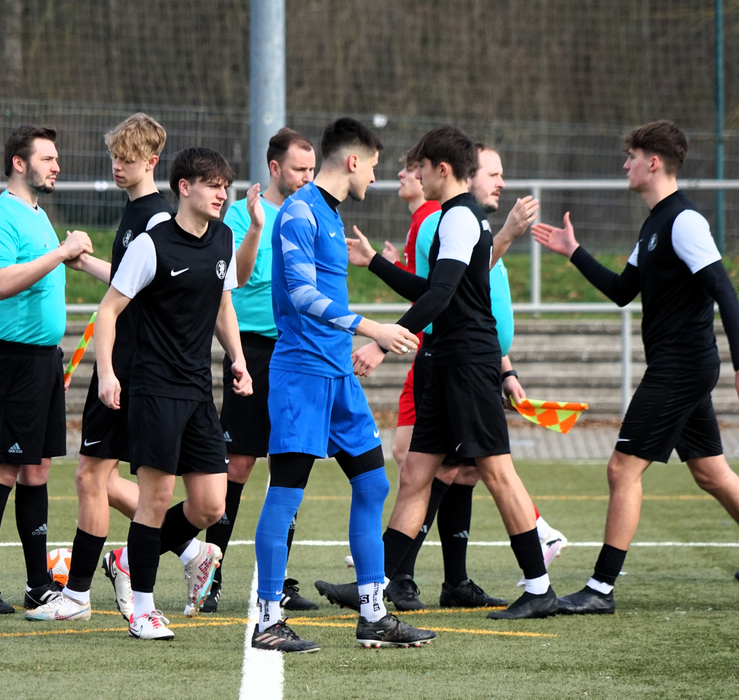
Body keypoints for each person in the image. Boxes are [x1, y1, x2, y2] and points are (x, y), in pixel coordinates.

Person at [531, 119, 739, 614]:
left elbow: (725, 290)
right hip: (678, 365)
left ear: (652, 162)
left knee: (621, 469)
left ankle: (599, 590)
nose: (625, 165)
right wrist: (573, 252)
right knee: (711, 472)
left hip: (682, 366)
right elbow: (622, 291)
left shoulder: (684, 221)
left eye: (631, 156)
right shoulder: (655, 222)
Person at [317, 144, 562, 611]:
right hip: (447, 364)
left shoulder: (460, 218)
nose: (415, 174)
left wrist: (387, 337)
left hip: (468, 365)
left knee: (497, 472)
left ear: (441, 169)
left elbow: (441, 295)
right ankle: (376, 584)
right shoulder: (454, 217)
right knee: (415, 474)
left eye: (421, 168)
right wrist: (376, 263)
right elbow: (432, 289)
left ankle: (538, 589)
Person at [250, 117, 433, 653]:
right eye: (374, 165)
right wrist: (370, 326)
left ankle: (373, 613)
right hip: (302, 375)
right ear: (353, 160)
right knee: (285, 494)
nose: (376, 176)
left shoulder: (329, 214)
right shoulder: (299, 213)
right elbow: (303, 296)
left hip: (337, 377)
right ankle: (266, 619)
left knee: (374, 484)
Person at [22, 114, 215, 622]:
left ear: (152, 163)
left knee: (94, 476)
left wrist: (110, 370)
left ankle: (80, 595)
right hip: (131, 364)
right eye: (113, 157)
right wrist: (85, 264)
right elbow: (133, 279)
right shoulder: (135, 213)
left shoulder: (155, 218)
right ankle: (192, 554)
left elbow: (143, 290)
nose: (116, 166)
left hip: (135, 367)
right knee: (99, 478)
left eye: (126, 160)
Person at [93, 146, 253, 640]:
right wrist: (106, 374)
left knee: (211, 506)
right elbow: (108, 312)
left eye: (225, 187)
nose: (222, 195)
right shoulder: (151, 244)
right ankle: (142, 609)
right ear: (185, 187)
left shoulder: (224, 238)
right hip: (154, 388)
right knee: (156, 498)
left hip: (199, 390)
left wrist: (239, 359)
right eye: (212, 185)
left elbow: (224, 304)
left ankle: (125, 560)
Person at [0, 125, 98, 615]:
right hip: (13, 360)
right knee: (6, 464)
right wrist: (60, 253)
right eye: (47, 158)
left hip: (45, 360)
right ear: (20, 163)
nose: (56, 165)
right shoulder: (0, 215)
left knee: (37, 468)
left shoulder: (39, 215)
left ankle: (38, 583)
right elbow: (1, 283)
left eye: (56, 158)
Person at [203, 127, 319, 613]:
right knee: (240, 463)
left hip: (298, 350)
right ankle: (211, 574)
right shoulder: (239, 214)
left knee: (288, 463)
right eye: (299, 169)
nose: (308, 178)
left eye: (312, 170)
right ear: (275, 169)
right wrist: (253, 227)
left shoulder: (311, 214)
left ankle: (280, 581)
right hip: (250, 350)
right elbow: (240, 276)